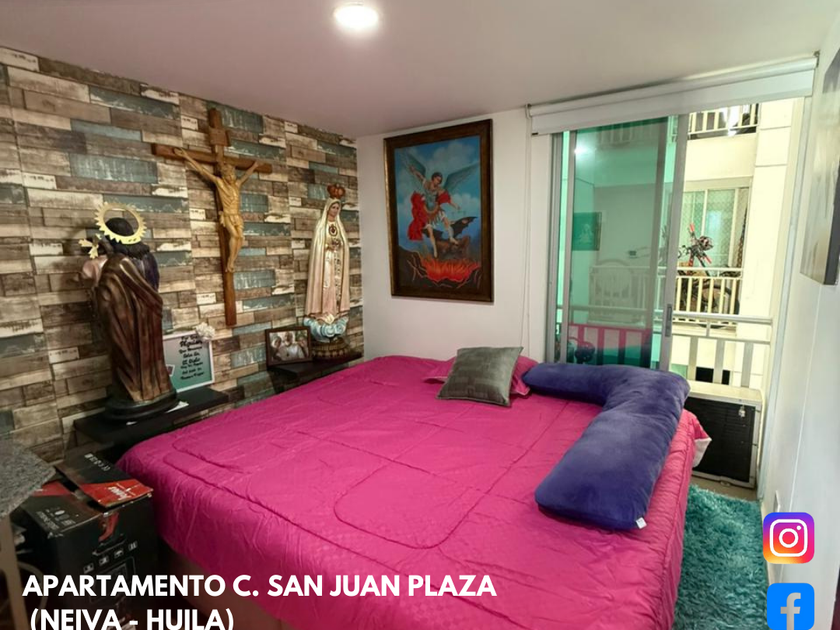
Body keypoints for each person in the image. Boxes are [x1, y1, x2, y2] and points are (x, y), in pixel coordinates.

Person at [175, 149, 260, 272]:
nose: (231, 177)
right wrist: (187, 157)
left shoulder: (237, 185)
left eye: (232, 175)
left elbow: (246, 175)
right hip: (227, 215)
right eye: (228, 176)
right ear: (224, 176)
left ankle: (232, 261)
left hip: (237, 216)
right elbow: (203, 171)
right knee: (234, 236)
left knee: (241, 238)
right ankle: (230, 261)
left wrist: (255, 166)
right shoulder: (220, 183)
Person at [407, 166, 459, 258]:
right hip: (427, 211)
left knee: (446, 220)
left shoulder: (439, 189)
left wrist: (455, 205)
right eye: (437, 179)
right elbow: (420, 176)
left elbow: (447, 199)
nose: (438, 182)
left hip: (435, 209)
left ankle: (451, 237)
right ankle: (435, 249)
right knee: (430, 232)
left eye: (440, 181)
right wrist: (414, 170)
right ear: (433, 178)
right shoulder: (426, 183)